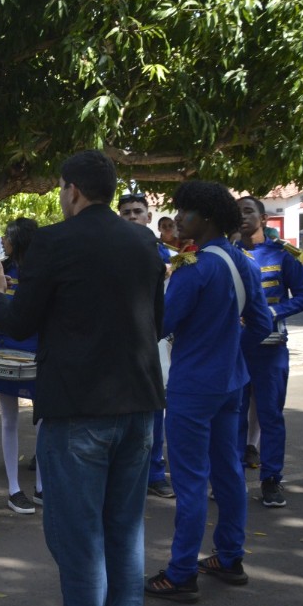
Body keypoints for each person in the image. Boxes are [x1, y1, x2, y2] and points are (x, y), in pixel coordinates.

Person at [0, 150, 165, 606]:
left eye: (62, 190)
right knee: (124, 528)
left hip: (78, 407)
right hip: (139, 403)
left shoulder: (55, 242)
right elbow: (157, 321)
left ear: (72, 191)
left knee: (78, 531)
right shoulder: (144, 242)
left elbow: (19, 321)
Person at [144, 181, 272, 603]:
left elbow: (160, 326)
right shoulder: (243, 264)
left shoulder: (192, 266)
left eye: (186, 213)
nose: (178, 220)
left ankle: (181, 573)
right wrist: (227, 341)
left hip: (192, 387)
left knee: (191, 481)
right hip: (231, 382)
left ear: (209, 219)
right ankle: (229, 556)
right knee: (228, 471)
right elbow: (263, 326)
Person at [237, 196, 303, 507]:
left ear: (263, 218)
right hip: (235, 349)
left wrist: (274, 312)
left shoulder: (282, 255)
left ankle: (271, 480)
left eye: (248, 211)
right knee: (233, 416)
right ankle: (230, 478)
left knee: (270, 416)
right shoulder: (226, 254)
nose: (242, 217)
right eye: (237, 212)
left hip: (270, 349)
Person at [0, 218, 43, 514]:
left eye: (6, 237)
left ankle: (42, 486)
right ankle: (14, 489)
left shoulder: (44, 271)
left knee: (45, 421)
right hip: (6, 352)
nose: (2, 241)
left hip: (39, 353)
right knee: (9, 419)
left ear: (17, 242)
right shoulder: (0, 271)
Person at [116, 193, 175, 498]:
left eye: (138, 211)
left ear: (149, 217)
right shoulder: (107, 252)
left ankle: (154, 471)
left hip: (156, 343)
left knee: (154, 409)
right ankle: (124, 474)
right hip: (115, 346)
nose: (132, 216)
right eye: (126, 212)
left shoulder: (170, 257)